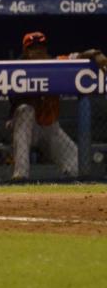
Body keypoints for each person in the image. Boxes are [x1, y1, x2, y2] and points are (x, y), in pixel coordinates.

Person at [8, 32, 107, 180]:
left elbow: (78, 57)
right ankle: (20, 176)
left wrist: (95, 53)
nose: (38, 51)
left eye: (41, 47)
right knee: (25, 110)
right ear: (25, 52)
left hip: (50, 126)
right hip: (24, 127)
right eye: (33, 48)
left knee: (76, 168)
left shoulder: (56, 63)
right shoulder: (16, 68)